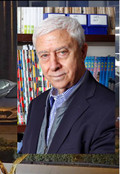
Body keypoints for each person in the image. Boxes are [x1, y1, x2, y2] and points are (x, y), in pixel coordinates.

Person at [20, 16, 115, 154]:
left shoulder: (110, 110)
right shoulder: (36, 105)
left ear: (83, 52)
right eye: (45, 55)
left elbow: (99, 173)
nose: (53, 66)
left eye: (62, 52)